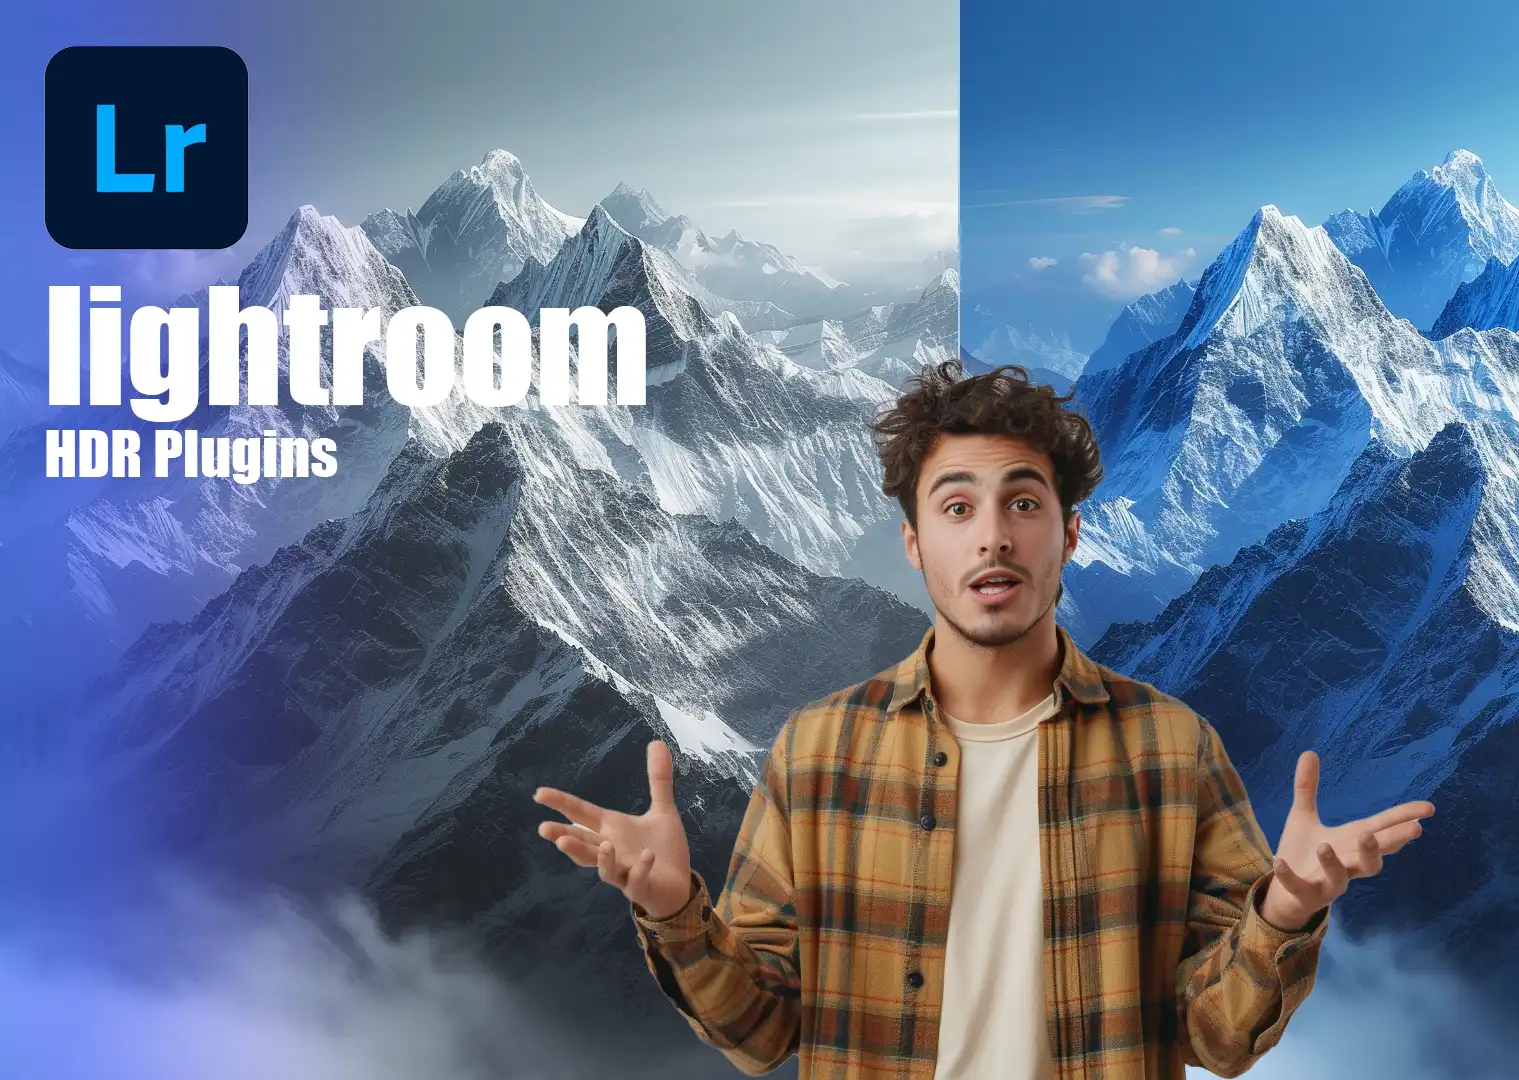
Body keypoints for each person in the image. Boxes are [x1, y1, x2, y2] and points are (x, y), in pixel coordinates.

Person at [533, 360, 1434, 1079]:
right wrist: (674, 912)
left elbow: (1216, 1040)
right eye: (957, 506)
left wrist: (1284, 909)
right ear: (917, 543)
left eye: (1024, 503)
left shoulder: (1171, 748)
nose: (993, 536)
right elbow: (764, 1031)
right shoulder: (818, 753)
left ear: (1071, 534)